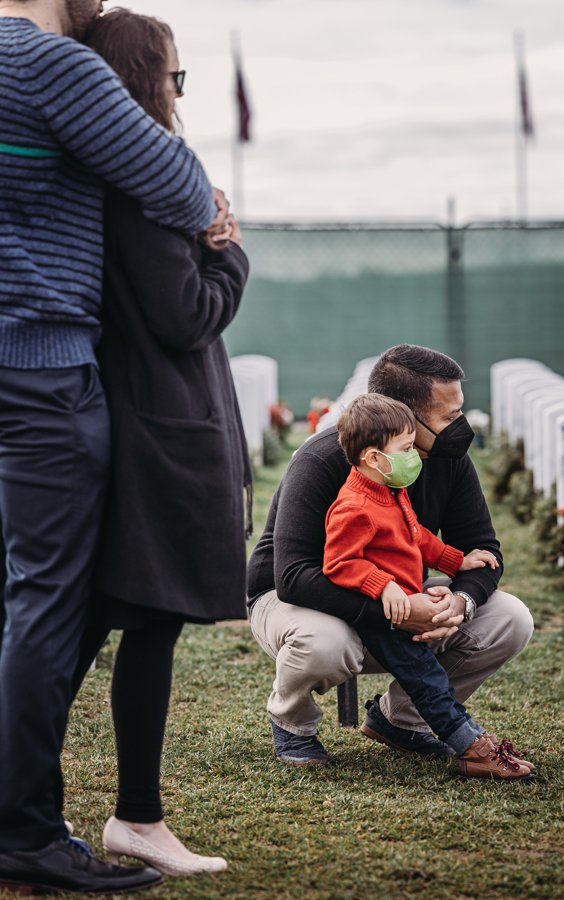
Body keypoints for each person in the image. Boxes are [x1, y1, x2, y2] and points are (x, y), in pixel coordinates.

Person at [0, 0, 227, 894]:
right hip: (43, 370)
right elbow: (179, 186)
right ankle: (22, 831)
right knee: (45, 605)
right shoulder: (52, 64)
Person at [69, 7, 251, 877]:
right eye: (176, 74)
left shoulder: (97, 170)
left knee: (79, 628)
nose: (182, 92)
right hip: (157, 429)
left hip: (130, 417)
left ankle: (106, 811)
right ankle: (136, 817)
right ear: (148, 78)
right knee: (136, 624)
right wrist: (230, 255)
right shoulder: (149, 180)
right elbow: (185, 317)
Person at [247, 344, 535, 767]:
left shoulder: (445, 457)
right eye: (449, 416)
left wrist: (459, 600)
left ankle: (401, 720)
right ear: (401, 417)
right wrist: (394, 608)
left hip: (398, 596)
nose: (461, 426)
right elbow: (293, 576)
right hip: (299, 602)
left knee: (510, 618)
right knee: (326, 642)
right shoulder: (322, 460)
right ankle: (293, 724)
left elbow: (480, 548)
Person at [323, 393, 534, 780]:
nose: (413, 456)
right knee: (429, 681)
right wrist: (383, 586)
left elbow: (417, 537)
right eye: (404, 449)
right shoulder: (353, 507)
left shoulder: (391, 491)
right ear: (373, 457)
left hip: (408, 601)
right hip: (383, 615)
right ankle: (472, 748)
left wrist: (459, 561)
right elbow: (338, 563)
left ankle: (442, 735)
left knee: (428, 678)